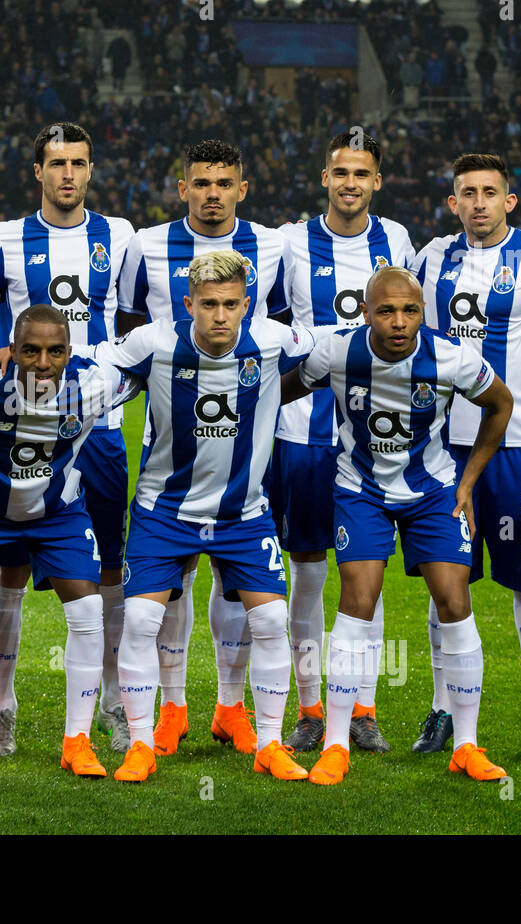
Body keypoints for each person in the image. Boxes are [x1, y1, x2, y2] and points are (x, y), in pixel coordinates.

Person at [0, 121, 135, 756]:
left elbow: (134, 322)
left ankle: (109, 699)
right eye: (57, 164)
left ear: (90, 169)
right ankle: (2, 706)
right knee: (11, 564)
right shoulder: (3, 237)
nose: (68, 175)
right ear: (38, 172)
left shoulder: (120, 236)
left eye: (78, 163)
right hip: (20, 422)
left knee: (109, 567)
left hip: (95, 427)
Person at [281, 266, 514, 785]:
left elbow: (500, 404)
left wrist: (469, 480)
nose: (398, 321)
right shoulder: (337, 352)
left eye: (409, 310)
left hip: (432, 491)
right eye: (385, 310)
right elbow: (281, 392)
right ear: (365, 313)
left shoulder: (451, 358)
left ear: (423, 313)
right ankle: (337, 745)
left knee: (455, 602)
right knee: (357, 600)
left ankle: (466, 745)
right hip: (359, 489)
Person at [96, 250, 315, 783]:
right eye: (209, 304)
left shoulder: (274, 339)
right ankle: (141, 744)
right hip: (162, 510)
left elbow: (332, 348)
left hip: (244, 513)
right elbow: (86, 359)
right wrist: (16, 351)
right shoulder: (153, 343)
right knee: (143, 618)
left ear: (247, 305)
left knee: (268, 620)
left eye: (231, 305)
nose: (221, 316)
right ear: (189, 303)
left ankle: (268, 742)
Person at [0, 304, 142, 778]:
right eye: (30, 351)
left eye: (54, 352)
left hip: (56, 513)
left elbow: (142, 371)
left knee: (87, 609)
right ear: (11, 350)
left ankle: (76, 740)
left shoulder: (96, 384)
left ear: (69, 353)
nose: (42, 362)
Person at [411, 153, 521, 758]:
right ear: (452, 201)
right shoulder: (427, 260)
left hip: (519, 447)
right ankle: (440, 709)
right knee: (445, 582)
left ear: (509, 200)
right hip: (441, 447)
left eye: (490, 191)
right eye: (468, 192)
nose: (479, 201)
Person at [117, 140, 289, 760]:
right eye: (200, 182)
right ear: (183, 187)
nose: (212, 192)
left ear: (242, 188)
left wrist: (256, 402)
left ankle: (233, 710)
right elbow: (127, 330)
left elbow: (299, 348)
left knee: (239, 595)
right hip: (168, 453)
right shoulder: (145, 245)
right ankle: (170, 710)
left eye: (224, 182)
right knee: (169, 596)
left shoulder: (274, 246)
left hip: (243, 461)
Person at [271, 131, 416, 755]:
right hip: (302, 432)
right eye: (339, 172)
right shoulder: (290, 241)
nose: (350, 182)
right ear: (323, 178)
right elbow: (265, 315)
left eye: (362, 172)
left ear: (377, 181)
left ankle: (361, 708)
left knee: (366, 576)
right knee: (305, 575)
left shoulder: (399, 241)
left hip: (374, 437)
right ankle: (309, 710)